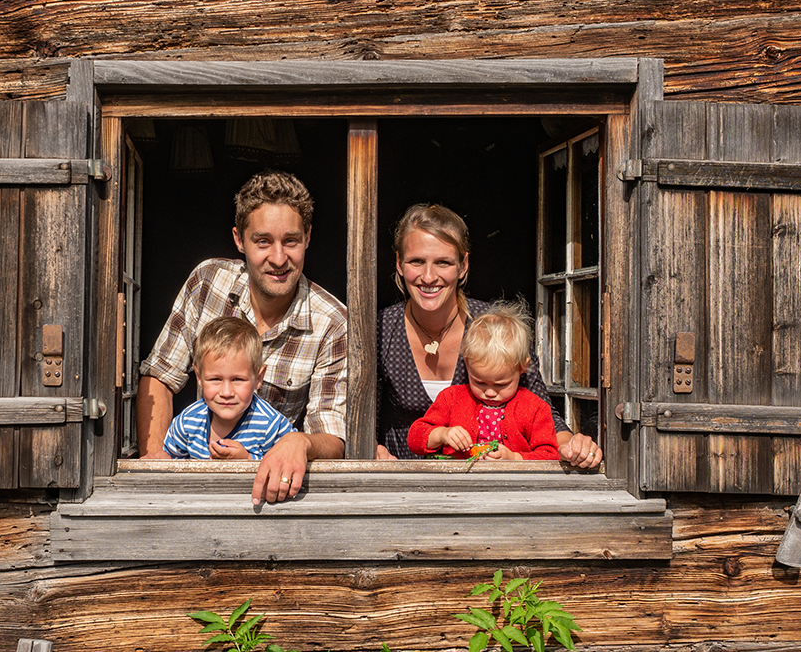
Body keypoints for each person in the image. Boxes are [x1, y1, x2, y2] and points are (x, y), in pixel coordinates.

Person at [138, 170, 347, 503]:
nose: (278, 258)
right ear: (239, 239)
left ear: (308, 236)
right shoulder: (207, 282)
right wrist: (157, 462)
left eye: (290, 241)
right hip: (195, 488)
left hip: (273, 496)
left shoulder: (332, 322)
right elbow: (160, 376)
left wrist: (298, 443)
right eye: (263, 241)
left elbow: (333, 437)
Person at [377, 203, 603, 466]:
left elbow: (539, 407)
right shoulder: (381, 328)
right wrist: (371, 450)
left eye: (443, 262)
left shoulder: (495, 326)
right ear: (399, 263)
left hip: (488, 481)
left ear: (463, 266)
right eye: (417, 261)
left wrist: (574, 445)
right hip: (399, 476)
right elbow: (360, 417)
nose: (428, 276)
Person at [407, 302, 560, 461]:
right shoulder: (452, 399)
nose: (490, 392)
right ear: (467, 364)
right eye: (479, 382)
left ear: (523, 366)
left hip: (513, 485)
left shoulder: (534, 408)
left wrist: (514, 458)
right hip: (458, 484)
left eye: (501, 384)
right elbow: (414, 438)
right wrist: (442, 434)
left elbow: (550, 455)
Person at [163, 316, 295, 461]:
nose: (226, 392)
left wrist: (248, 461)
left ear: (258, 378)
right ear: (199, 376)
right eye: (215, 379)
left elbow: (289, 461)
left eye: (237, 379)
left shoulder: (272, 426)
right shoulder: (187, 422)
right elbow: (171, 463)